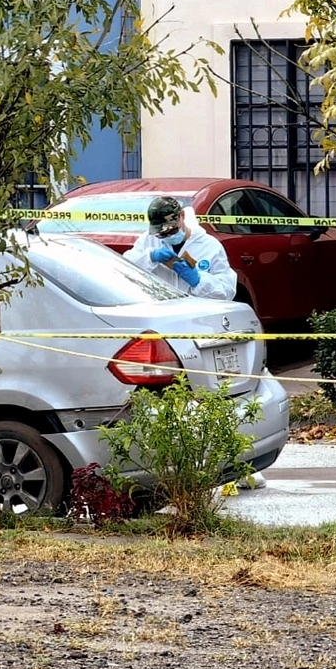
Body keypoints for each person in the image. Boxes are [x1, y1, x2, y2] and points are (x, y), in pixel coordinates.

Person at [123, 196, 265, 489]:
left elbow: (226, 290)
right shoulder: (148, 243)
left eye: (168, 230)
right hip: (166, 330)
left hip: (203, 331)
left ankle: (240, 466)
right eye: (159, 232)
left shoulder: (209, 246)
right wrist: (150, 258)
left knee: (220, 399)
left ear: (181, 220)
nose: (164, 236)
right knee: (178, 404)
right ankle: (189, 471)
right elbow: (126, 269)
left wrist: (196, 277)